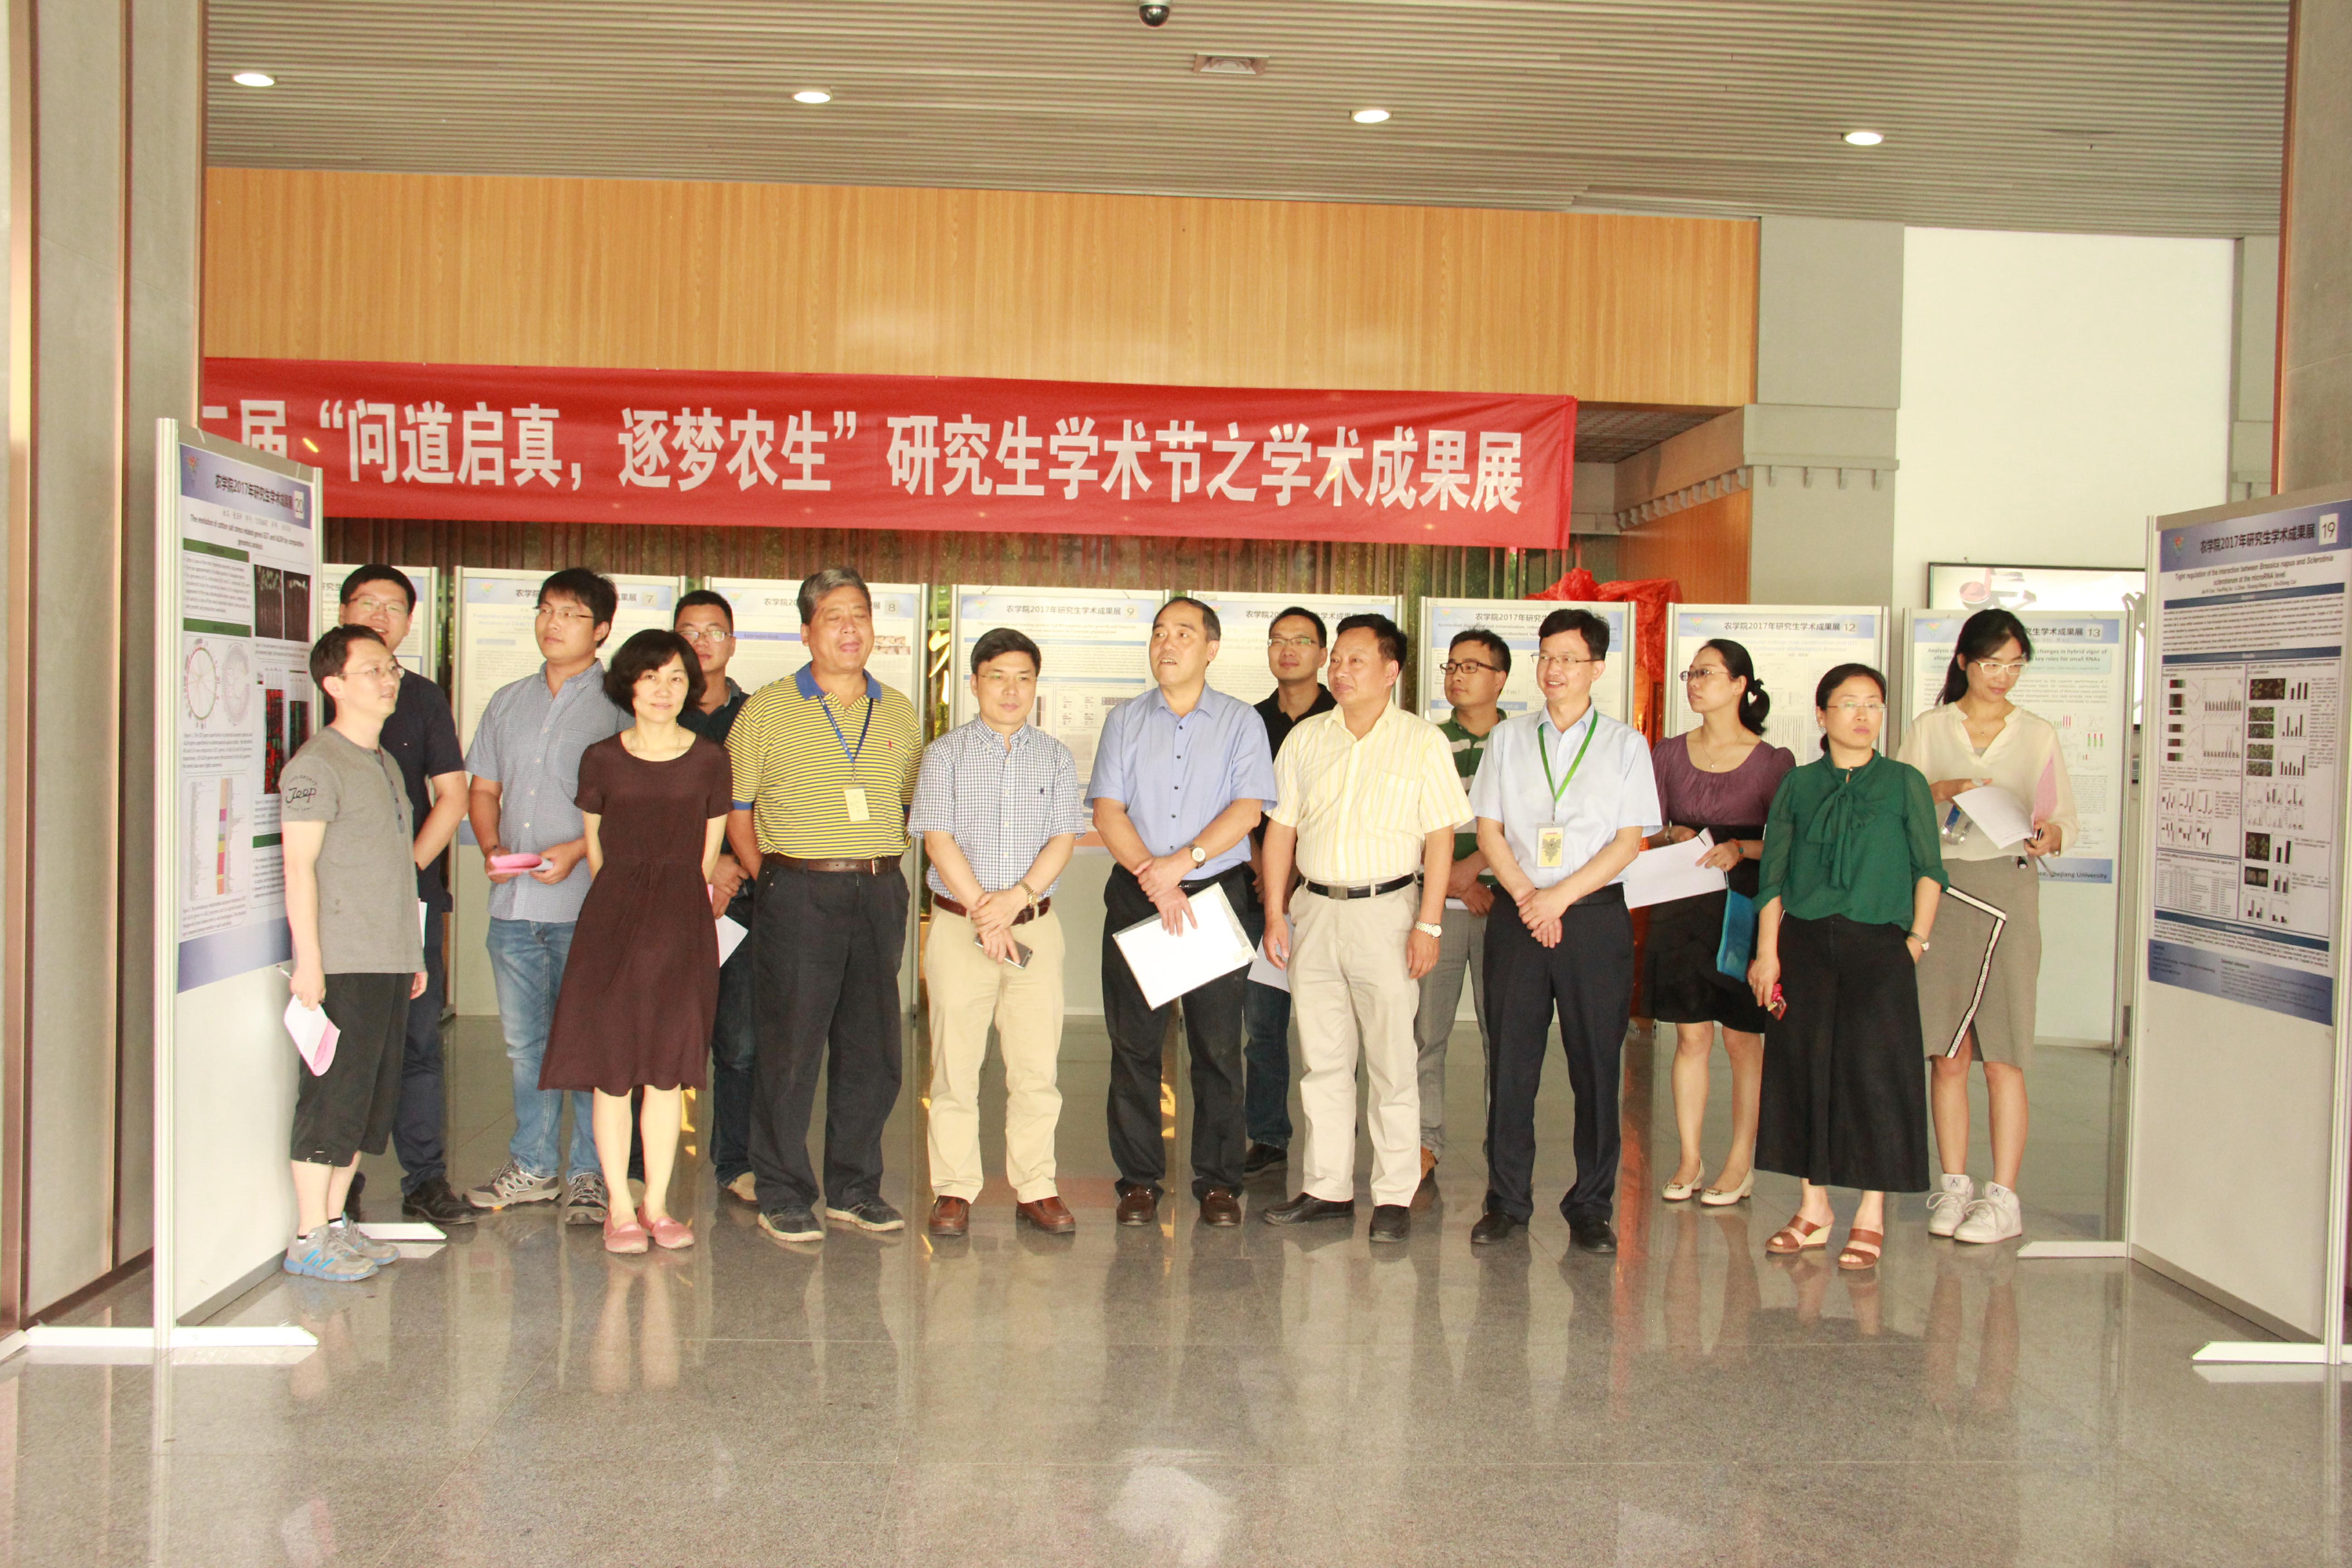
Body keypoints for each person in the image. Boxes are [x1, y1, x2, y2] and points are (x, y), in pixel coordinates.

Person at [726, 567, 925, 1242]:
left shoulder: (898, 709)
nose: (849, 628)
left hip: (878, 889)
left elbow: (908, 803)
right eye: (834, 616)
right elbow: (739, 811)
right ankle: (782, 1191)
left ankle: (854, 1188)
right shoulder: (766, 709)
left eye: (860, 615)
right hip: (797, 889)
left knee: (873, 1048)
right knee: (790, 1049)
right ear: (807, 631)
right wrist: (774, 883)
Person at [1259, 614, 1465, 1243]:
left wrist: (1429, 923)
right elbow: (1281, 831)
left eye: (1356, 660)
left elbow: (1440, 838)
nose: (1340, 671)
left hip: (1389, 912)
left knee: (1393, 1059)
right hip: (1314, 910)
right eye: (1338, 660)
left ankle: (1395, 1194)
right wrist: (1276, 912)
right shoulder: (1306, 739)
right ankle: (1327, 1188)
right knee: (1322, 1059)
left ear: (1391, 671)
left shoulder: (1422, 741)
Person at [1469, 608, 1661, 1253]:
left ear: (1597, 669)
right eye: (1546, 656)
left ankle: (1592, 1206)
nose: (1554, 670)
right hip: (1518, 914)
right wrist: (1530, 898)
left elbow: (1629, 841)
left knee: (1597, 1066)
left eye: (1569, 659)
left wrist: (1559, 899)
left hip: (1593, 918)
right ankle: (1506, 1201)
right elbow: (1489, 830)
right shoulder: (1508, 738)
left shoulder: (1625, 745)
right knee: (1510, 1062)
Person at [539, 630, 733, 1253]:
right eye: (651, 677)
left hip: (682, 923)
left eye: (676, 678)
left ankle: (658, 1206)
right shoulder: (601, 758)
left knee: (668, 1074)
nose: (663, 689)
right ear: (629, 684)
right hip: (613, 924)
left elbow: (707, 857)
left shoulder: (710, 760)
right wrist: (629, 904)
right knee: (614, 1073)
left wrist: (672, 906)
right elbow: (598, 851)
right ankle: (620, 1209)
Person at [1748, 663, 1946, 1271]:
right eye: (1849, 703)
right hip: (1805, 944)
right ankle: (1814, 1208)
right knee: (1803, 1070)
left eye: (1874, 704)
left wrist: (1915, 942)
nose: (1863, 715)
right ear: (1822, 713)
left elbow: (1930, 870)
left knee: (1876, 1075)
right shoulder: (1798, 784)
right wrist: (1767, 952)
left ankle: (1870, 1214)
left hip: (1881, 946)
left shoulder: (1905, 782)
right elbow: (1773, 875)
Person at [1088, 596, 1278, 1228]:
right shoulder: (1125, 720)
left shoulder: (1241, 721)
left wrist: (1184, 863)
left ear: (1212, 649)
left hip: (1213, 893)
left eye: (1184, 634)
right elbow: (1108, 811)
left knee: (1217, 1046)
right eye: (1159, 633)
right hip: (1138, 892)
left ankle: (1219, 1182)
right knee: (1134, 1045)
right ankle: (1139, 1181)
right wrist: (1157, 875)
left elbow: (1248, 810)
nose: (1167, 644)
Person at [1897, 609, 2078, 1246]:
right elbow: (1895, 801)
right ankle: (1954, 1187)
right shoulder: (1931, 727)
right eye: (1992, 663)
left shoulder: (2037, 733)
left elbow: (2063, 820)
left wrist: (2050, 834)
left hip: (2008, 885)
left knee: (2004, 1052)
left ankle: (2003, 1198)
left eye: (2015, 666)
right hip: (1942, 888)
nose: (2003, 676)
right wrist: (1942, 788)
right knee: (1948, 1052)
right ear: (1964, 663)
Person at [910, 627, 1088, 1237]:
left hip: (1035, 927)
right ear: (974, 683)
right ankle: (954, 1189)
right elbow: (939, 840)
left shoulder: (1055, 757)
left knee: (1036, 1069)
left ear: (1036, 685)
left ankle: (1036, 1187)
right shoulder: (945, 755)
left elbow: (1062, 839)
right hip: (959, 929)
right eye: (997, 677)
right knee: (955, 1067)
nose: (1011, 690)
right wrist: (986, 913)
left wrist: (1016, 900)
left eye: (1024, 678)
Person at [464, 568, 627, 1223]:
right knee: (524, 1047)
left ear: (602, 629)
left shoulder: (619, 706)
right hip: (514, 910)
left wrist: (579, 850)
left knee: (590, 1043)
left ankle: (590, 1173)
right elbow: (483, 790)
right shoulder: (508, 701)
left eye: (571, 613)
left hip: (588, 908)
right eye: (546, 610)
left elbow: (637, 806)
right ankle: (533, 1167)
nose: (553, 623)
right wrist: (489, 847)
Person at [279, 626, 429, 1281]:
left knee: (370, 1103)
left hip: (388, 957)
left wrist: (412, 953)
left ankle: (337, 1224)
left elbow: (392, 869)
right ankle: (309, 1236)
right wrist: (309, 961)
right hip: (343, 960)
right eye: (373, 670)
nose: (388, 679)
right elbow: (299, 868)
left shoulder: (385, 762)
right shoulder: (317, 766)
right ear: (334, 684)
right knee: (333, 1099)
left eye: (391, 667)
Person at [326, 566, 474, 1226]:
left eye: (394, 608)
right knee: (345, 1043)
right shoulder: (321, 686)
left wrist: (404, 870)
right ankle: (340, 1181)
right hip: (336, 905)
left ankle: (425, 1178)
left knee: (417, 1041)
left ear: (411, 624)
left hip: (412, 897)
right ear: (342, 609)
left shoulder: (422, 697)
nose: (380, 616)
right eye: (367, 603)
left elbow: (452, 797)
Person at [1646, 639, 1794, 1206]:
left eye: (1707, 673)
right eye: (1691, 673)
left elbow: (1787, 845)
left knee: (1742, 1040)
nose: (1694, 683)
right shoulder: (1667, 753)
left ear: (1739, 685)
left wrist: (1740, 848)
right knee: (1689, 1034)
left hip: (1744, 906)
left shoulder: (1773, 761)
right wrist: (1671, 833)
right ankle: (1689, 1157)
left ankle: (1739, 1162)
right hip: (1683, 899)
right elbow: (1646, 826)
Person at [1411, 627, 1509, 1190]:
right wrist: (1452, 883)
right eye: (1451, 666)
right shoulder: (1427, 741)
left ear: (1500, 679)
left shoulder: (1521, 741)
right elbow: (1410, 822)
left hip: (1504, 903)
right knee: (1428, 1032)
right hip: (1439, 906)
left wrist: (1473, 871)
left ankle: (1504, 1144)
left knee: (1504, 1033)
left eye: (1471, 667)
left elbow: (1534, 819)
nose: (1457, 676)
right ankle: (1425, 1142)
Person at [1240, 606, 1336, 1178]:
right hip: (1261, 892)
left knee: (1334, 1027)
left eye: (1302, 640)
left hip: (1326, 891)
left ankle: (1336, 1137)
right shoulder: (1250, 722)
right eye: (1279, 640)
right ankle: (1269, 1135)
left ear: (1322, 653)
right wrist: (1263, 866)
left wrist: (1297, 869)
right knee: (1263, 1024)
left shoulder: (1345, 717)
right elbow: (1240, 801)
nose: (1289, 649)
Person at [674, 589, 761, 1206]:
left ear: (732, 643)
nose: (702, 642)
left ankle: (736, 1162)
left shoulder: (757, 716)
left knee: (740, 1042)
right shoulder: (653, 710)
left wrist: (733, 870)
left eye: (714, 631)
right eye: (689, 631)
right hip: (666, 900)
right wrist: (707, 865)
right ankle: (637, 1163)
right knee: (655, 1039)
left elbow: (769, 803)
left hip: (741, 904)